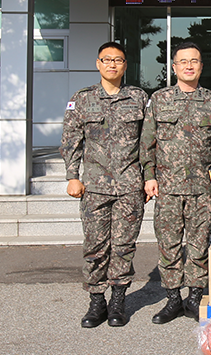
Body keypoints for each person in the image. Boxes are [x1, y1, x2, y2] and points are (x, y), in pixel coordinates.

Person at [60, 41, 148, 328]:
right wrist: (72, 175)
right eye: (106, 59)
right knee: (96, 246)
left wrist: (148, 178)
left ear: (125, 65)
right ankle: (96, 301)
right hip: (94, 187)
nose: (112, 64)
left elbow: (148, 143)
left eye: (118, 60)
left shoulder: (138, 98)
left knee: (123, 246)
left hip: (129, 186)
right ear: (98, 64)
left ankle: (118, 302)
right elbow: (71, 140)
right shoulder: (82, 99)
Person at [141, 41, 211, 324]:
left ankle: (194, 297)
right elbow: (147, 142)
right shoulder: (160, 99)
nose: (189, 66)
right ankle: (173, 299)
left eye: (195, 61)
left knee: (199, 243)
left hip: (201, 188)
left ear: (202, 66)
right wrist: (149, 175)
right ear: (174, 67)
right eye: (184, 61)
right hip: (167, 186)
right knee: (168, 244)